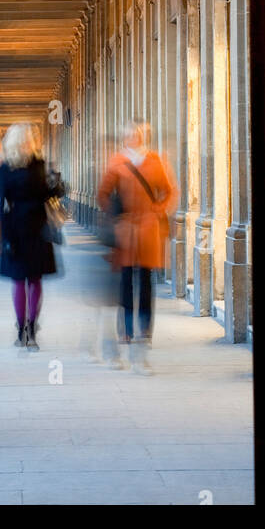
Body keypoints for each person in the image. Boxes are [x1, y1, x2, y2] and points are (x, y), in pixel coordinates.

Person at [97, 119, 177, 372]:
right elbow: (103, 193)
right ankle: (126, 331)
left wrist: (157, 210)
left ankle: (145, 332)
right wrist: (116, 215)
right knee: (125, 283)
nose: (135, 136)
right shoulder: (117, 161)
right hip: (126, 230)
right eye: (130, 133)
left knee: (146, 281)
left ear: (144, 135)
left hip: (149, 230)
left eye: (138, 132)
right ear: (124, 137)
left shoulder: (154, 160)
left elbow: (169, 191)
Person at [0, 122, 62, 351]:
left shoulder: (40, 165)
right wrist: (5, 238)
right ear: (15, 142)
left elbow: (47, 195)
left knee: (35, 280)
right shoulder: (6, 169)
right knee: (18, 281)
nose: (28, 143)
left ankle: (32, 326)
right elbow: (3, 204)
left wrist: (57, 186)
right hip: (16, 229)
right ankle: (20, 327)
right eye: (24, 139)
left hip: (38, 228)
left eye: (30, 139)